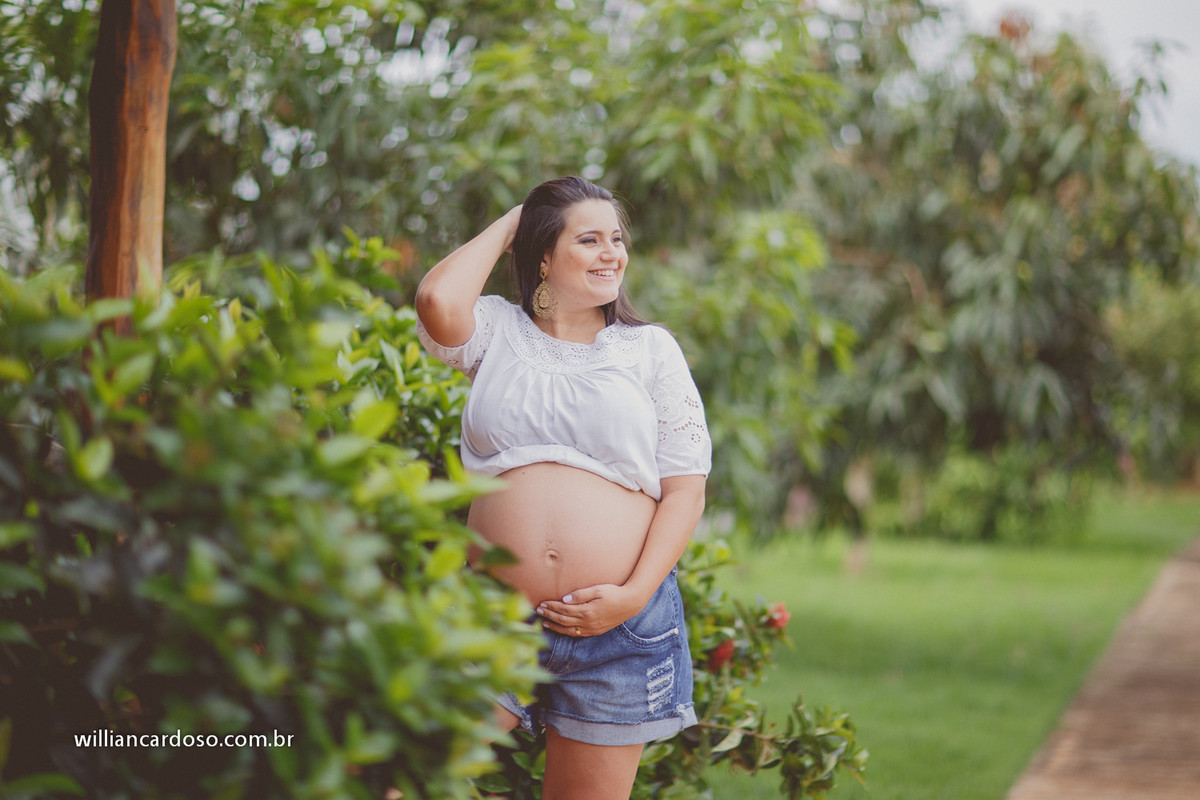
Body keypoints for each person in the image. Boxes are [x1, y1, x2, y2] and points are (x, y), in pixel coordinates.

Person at [414, 176, 711, 800]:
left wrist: (631, 596)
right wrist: (514, 222)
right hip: (496, 617)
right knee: (413, 780)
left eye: (618, 239)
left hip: (618, 630)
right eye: (590, 239)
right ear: (543, 254)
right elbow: (437, 300)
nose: (613, 253)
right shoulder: (496, 333)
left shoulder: (649, 350)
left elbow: (685, 491)